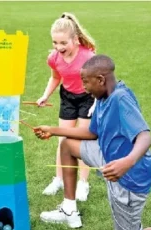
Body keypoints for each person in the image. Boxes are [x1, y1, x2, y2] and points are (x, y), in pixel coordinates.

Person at [34, 54, 151, 230]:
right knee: (67, 145)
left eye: (85, 82)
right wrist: (53, 130)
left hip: (129, 174)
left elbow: (145, 136)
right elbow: (92, 133)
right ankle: (69, 210)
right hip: (107, 156)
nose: (84, 87)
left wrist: (126, 162)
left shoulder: (120, 99)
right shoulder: (103, 98)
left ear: (100, 80)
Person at [36, 12, 97, 201]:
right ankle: (58, 179)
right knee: (63, 139)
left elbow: (98, 83)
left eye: (63, 43)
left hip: (88, 97)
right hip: (68, 97)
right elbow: (56, 77)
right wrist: (45, 95)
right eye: (55, 42)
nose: (58, 47)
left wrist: (96, 103)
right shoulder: (54, 58)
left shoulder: (88, 57)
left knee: (82, 141)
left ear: (76, 40)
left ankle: (83, 184)